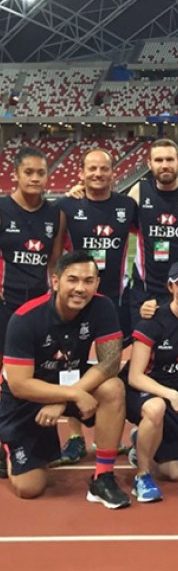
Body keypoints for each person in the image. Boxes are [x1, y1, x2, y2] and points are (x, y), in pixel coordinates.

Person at [0, 250, 130, 507]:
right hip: (27, 399)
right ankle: (7, 446)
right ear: (56, 281)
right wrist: (71, 395)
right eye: (72, 280)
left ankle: (103, 477)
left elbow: (110, 362)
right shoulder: (25, 319)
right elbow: (19, 384)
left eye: (88, 281)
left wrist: (68, 396)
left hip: (70, 386)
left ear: (96, 284)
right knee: (30, 488)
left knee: (113, 388)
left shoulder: (103, 307)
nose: (80, 288)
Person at [55, 147, 138, 466]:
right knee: (68, 366)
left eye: (103, 169)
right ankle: (75, 436)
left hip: (113, 302)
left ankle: (110, 434)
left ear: (113, 172)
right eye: (92, 169)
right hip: (74, 302)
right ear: (81, 172)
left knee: (110, 368)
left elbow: (147, 236)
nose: (98, 174)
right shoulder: (66, 206)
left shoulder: (126, 206)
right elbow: (55, 248)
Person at [0, 147, 65, 476]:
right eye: (29, 173)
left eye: (41, 173)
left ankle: (38, 440)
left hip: (38, 307)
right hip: (5, 304)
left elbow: (54, 260)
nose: (36, 178)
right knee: (5, 378)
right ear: (16, 174)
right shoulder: (2, 209)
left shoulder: (54, 214)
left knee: (38, 374)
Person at [125, 260, 178, 503]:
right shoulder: (153, 320)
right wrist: (171, 395)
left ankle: (139, 440)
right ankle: (141, 477)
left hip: (173, 394)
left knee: (174, 473)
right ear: (170, 287)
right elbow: (135, 376)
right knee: (156, 407)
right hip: (143, 390)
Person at [128, 139, 178, 328]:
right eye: (158, 160)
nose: (164, 165)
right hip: (145, 288)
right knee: (144, 345)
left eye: (169, 159)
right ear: (149, 164)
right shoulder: (139, 191)